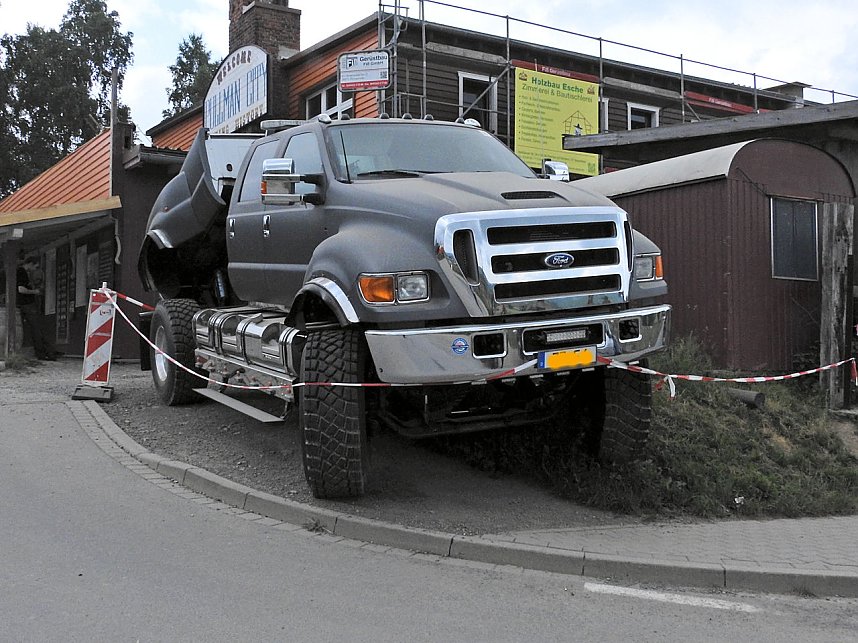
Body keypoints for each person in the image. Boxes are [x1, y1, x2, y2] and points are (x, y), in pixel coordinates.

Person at [16, 255, 56, 361]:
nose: (34, 270)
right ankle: (42, 353)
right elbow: (21, 289)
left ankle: (43, 352)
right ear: (30, 264)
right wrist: (35, 292)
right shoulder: (22, 272)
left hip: (24, 304)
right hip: (27, 304)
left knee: (35, 328)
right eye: (35, 267)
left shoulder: (22, 272)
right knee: (36, 328)